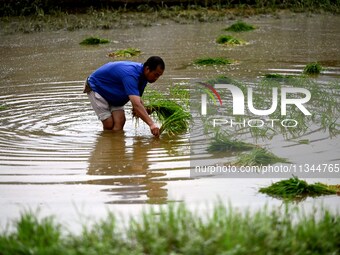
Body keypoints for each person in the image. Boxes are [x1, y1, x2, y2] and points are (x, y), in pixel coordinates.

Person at [84, 56, 165, 137]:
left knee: (120, 121)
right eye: (156, 75)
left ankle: (116, 147)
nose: (156, 78)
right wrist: (152, 124)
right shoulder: (131, 75)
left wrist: (147, 110)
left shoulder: (144, 77)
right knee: (109, 124)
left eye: (159, 76)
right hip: (97, 87)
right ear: (147, 69)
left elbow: (137, 101)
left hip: (114, 91)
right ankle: (106, 146)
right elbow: (137, 105)